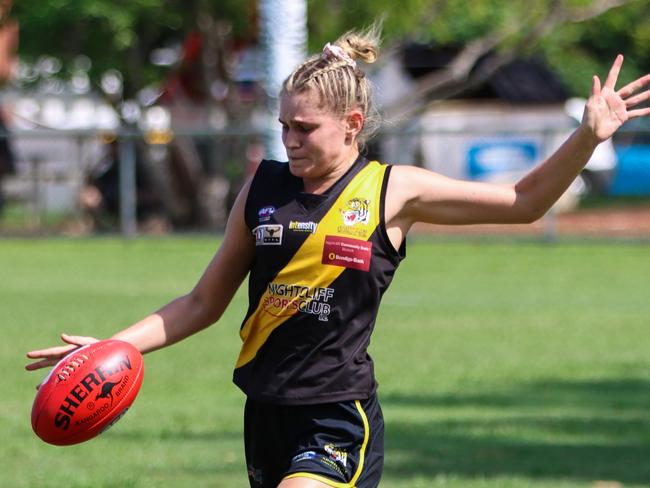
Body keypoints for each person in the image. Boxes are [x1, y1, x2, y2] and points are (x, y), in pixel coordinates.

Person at [26, 25, 650, 488]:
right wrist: (115, 346)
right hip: (264, 412)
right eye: (283, 127)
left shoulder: (391, 191)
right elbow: (201, 302)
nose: (289, 140)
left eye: (305, 129)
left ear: (352, 123)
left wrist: (586, 135)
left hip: (336, 418)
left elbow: (522, 201)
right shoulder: (263, 187)